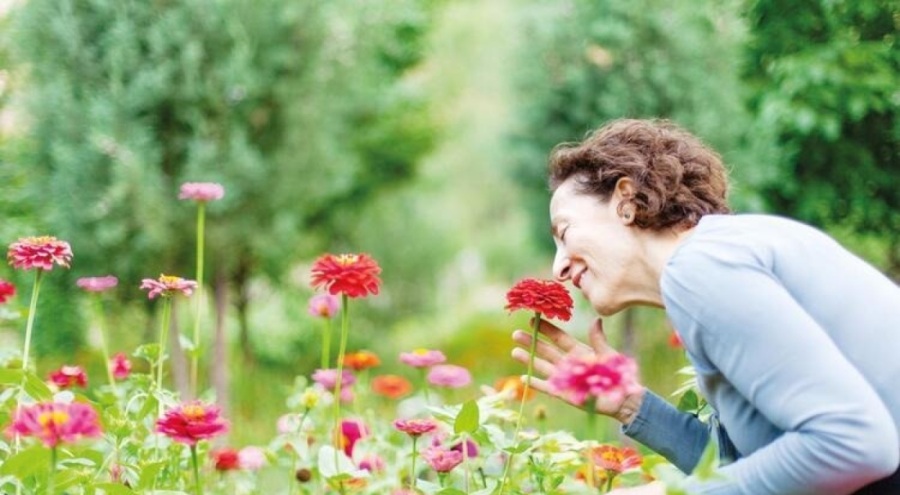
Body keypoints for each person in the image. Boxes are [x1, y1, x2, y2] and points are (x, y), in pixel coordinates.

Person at [511, 118, 900, 494]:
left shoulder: (701, 269)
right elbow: (748, 471)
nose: (557, 266)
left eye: (564, 232)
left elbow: (855, 443)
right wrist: (633, 406)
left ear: (625, 201)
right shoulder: (713, 265)